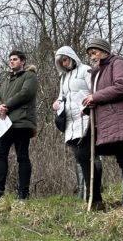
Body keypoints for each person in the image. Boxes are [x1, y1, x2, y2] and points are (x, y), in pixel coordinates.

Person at [81, 38, 123, 215]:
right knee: (84, 153)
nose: (92, 57)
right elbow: (99, 96)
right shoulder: (97, 71)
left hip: (118, 120)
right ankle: (96, 200)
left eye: (95, 52)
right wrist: (89, 104)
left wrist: (95, 97)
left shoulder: (117, 63)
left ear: (104, 51)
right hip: (101, 121)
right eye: (90, 54)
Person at [0, 50, 38, 200]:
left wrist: (7, 105)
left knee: (22, 157)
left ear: (23, 61)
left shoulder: (30, 76)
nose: (11, 61)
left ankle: (23, 193)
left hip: (22, 123)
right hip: (5, 124)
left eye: (15, 59)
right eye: (10, 59)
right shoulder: (7, 80)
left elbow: (26, 93)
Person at [51, 46, 98, 201]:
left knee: (87, 156)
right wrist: (56, 104)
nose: (64, 64)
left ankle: (94, 192)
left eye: (65, 59)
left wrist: (88, 103)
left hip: (85, 118)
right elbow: (61, 97)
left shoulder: (86, 70)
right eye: (61, 62)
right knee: (78, 157)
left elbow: (95, 91)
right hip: (69, 123)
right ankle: (83, 192)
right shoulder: (63, 78)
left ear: (71, 57)